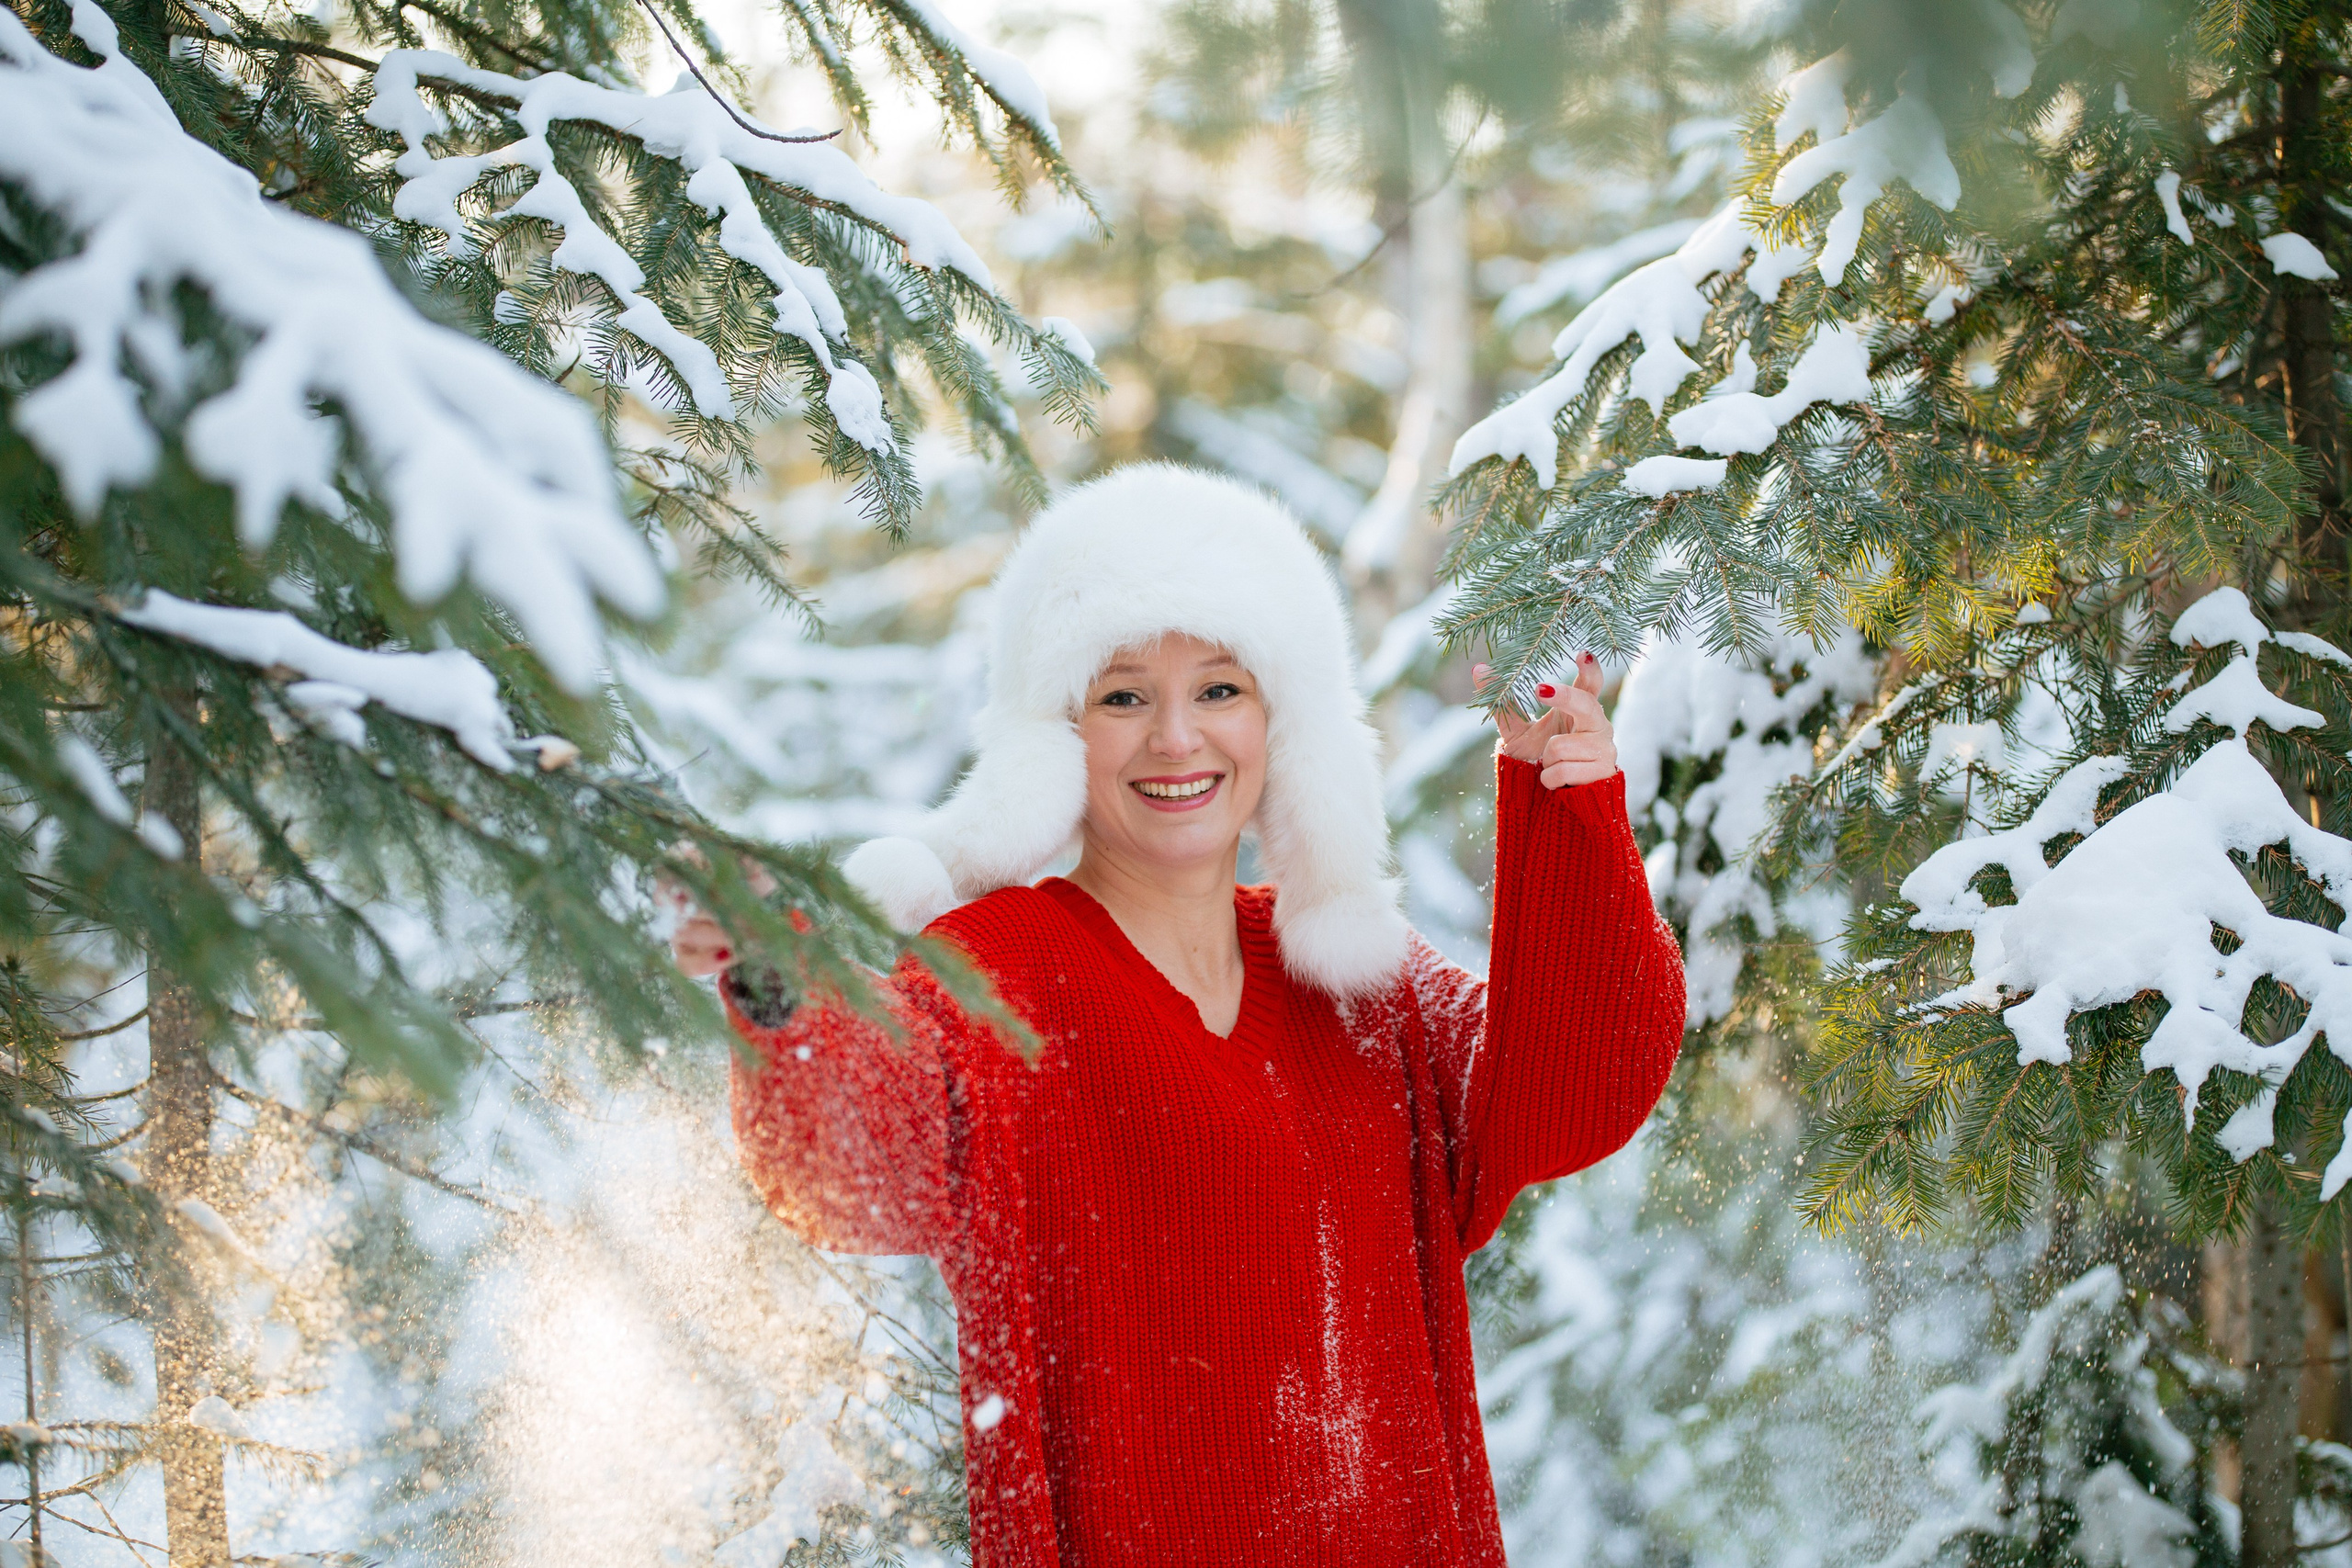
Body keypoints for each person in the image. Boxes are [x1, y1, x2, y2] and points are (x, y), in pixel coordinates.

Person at [673, 464, 1685, 1567]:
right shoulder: (996, 971)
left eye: (1218, 690)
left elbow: (1568, 1093)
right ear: (1053, 738)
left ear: (1282, 725)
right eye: (1122, 697)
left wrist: (1567, 812)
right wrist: (779, 980)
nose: (1174, 738)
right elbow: (854, 1166)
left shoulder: (1362, 984)